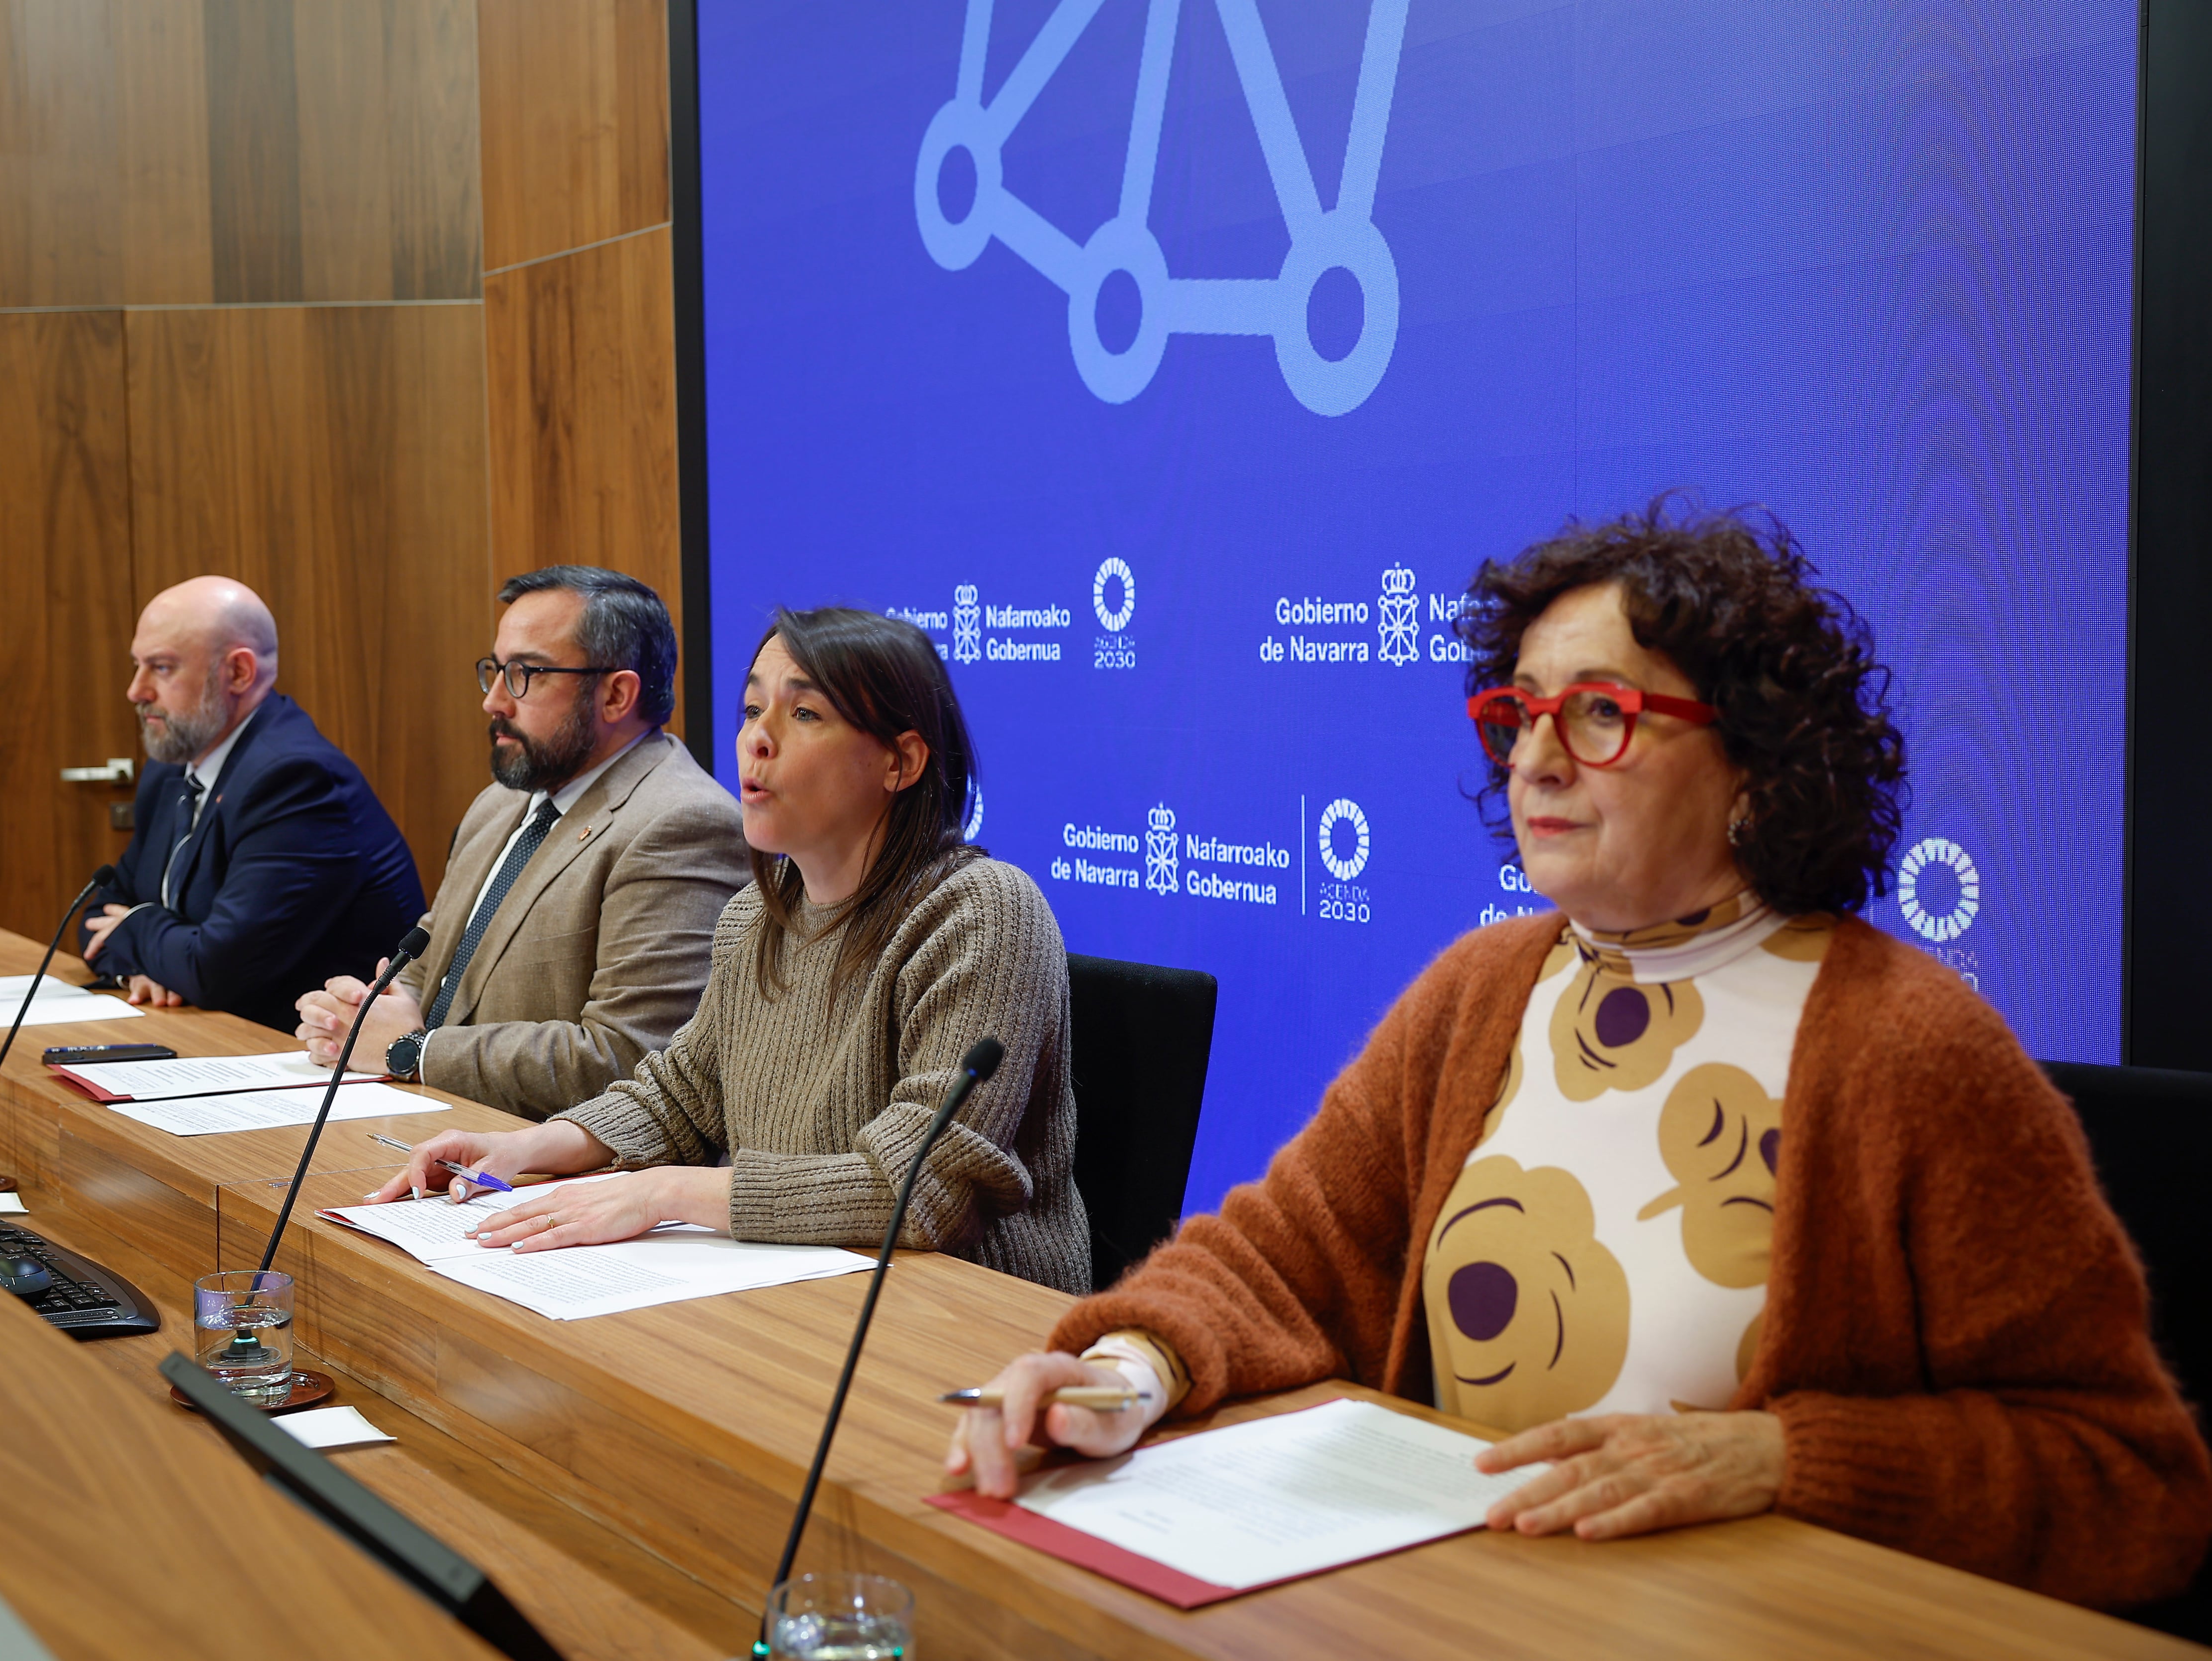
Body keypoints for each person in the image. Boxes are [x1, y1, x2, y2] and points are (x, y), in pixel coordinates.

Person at [945, 503, 2212, 1609]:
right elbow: (1288, 1251)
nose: (1537, 756)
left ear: (1757, 766)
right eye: (1520, 712)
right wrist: (1123, 1368)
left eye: (1599, 713)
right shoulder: (1483, 991)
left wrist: (1787, 1460)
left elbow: (2126, 1479)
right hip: (1469, 1611)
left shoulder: (1910, 1049)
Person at [372, 607, 1089, 1294]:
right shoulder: (758, 914)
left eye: (803, 714)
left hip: (965, 1315)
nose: (757, 740)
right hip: (798, 1284)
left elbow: (923, 1185)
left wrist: (661, 1191)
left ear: (900, 760)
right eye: (752, 711)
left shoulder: (981, 911)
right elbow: (683, 1095)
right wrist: (534, 1147)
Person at [292, 568, 746, 1117]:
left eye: (526, 673)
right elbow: (432, 952)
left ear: (616, 694)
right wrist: (367, 1011)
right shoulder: (501, 802)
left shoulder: (684, 824)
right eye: (496, 671)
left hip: (559, 1174)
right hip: (437, 1129)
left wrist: (411, 1051)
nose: (495, 702)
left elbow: (632, 1058)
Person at [83, 576, 425, 1033]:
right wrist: (139, 969)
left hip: (306, 1061)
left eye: (161, 668)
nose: (136, 690)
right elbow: (94, 915)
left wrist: (135, 928)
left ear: (239, 673)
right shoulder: (172, 768)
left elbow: (215, 970)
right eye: (137, 665)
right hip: (200, 1033)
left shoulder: (297, 780)